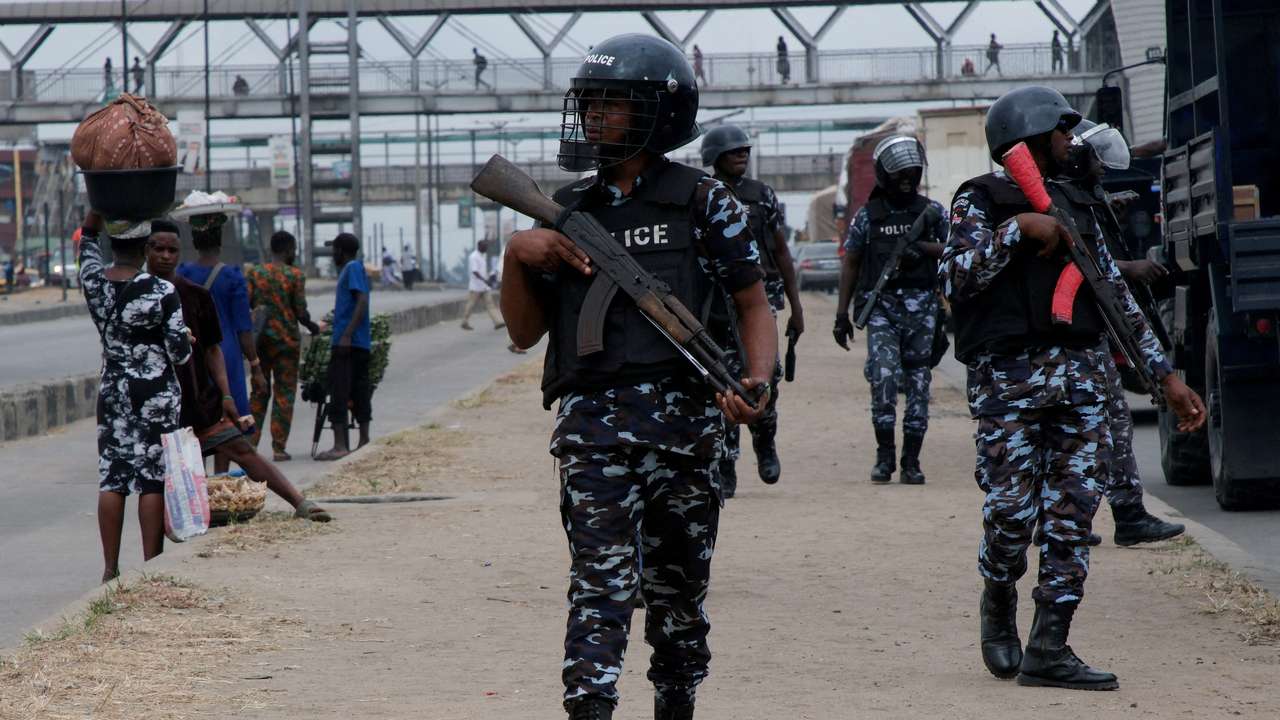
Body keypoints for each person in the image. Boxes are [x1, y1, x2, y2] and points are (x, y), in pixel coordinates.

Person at [500, 33, 775, 720]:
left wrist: (758, 381)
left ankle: (675, 690)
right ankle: (589, 705)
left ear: (659, 111)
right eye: (587, 103)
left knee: (678, 588)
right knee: (600, 582)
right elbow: (524, 332)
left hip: (686, 429)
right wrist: (517, 253)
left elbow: (751, 301)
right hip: (592, 431)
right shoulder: (568, 210)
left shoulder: (703, 202)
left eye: (610, 104)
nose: (592, 117)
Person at [940, 85, 1206, 690]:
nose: (1071, 141)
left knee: (1074, 515)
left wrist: (1166, 378)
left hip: (1083, 382)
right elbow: (954, 275)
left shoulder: (1077, 204)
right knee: (1010, 513)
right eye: (1060, 131)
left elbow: (1114, 295)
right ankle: (999, 597)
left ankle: (1050, 645)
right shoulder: (980, 198)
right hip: (1010, 386)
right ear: (1029, 138)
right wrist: (1017, 232)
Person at [147, 222, 331, 522]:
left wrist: (227, 393)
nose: (166, 256)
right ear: (146, 250)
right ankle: (185, 524)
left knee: (240, 448)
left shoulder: (194, 292)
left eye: (172, 250)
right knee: (165, 474)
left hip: (197, 394)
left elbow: (212, 349)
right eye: (158, 249)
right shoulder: (136, 298)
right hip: (157, 405)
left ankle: (299, 502)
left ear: (183, 251)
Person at [1064, 119, 1186, 547]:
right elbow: (1078, 269)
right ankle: (1066, 521)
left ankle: (1126, 514)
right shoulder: (1052, 201)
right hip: (1061, 342)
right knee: (1073, 437)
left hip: (1090, 334)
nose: (1103, 174)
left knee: (1113, 424)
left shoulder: (1082, 197)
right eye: (1098, 166)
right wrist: (1129, 269)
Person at [79, 213, 191, 582]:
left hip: (113, 390)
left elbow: (87, 245)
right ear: (144, 250)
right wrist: (186, 339)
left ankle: (110, 569)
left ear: (114, 247)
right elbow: (179, 353)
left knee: (112, 478)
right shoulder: (161, 291)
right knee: (152, 479)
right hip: (155, 392)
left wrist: (96, 218)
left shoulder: (94, 282)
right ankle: (151, 567)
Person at [833, 135, 946, 484]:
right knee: (883, 379)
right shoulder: (868, 217)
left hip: (923, 307)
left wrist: (923, 249)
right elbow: (851, 262)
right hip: (882, 308)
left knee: (918, 383)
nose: (907, 181)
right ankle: (885, 457)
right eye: (900, 176)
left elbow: (955, 250)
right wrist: (841, 315)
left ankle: (911, 461)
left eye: (911, 174)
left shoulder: (932, 212)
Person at [700, 123, 804, 493]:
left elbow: (780, 251)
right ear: (714, 157)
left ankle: (765, 443)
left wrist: (796, 307)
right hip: (718, 307)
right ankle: (727, 464)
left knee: (766, 380)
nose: (742, 155)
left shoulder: (762, 196)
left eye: (745, 149)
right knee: (725, 382)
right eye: (733, 151)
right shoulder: (703, 195)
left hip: (762, 302)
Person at [177, 211, 266, 474]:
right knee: (227, 424)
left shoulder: (183, 273)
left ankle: (199, 483)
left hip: (193, 353)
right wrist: (256, 365)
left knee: (196, 421)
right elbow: (243, 328)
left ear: (193, 241)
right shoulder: (233, 277)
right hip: (225, 356)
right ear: (220, 241)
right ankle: (222, 479)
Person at [245, 230, 321, 462]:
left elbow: (246, 304)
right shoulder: (295, 275)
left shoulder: (255, 273)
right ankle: (279, 448)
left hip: (260, 343)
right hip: (287, 343)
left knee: (259, 392)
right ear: (289, 250)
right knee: (284, 394)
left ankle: (250, 444)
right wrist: (313, 326)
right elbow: (300, 311)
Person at [315, 232, 372, 461]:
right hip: (355, 342)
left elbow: (362, 301)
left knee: (339, 392)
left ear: (340, 251)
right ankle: (363, 440)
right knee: (359, 390)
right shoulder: (353, 270)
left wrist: (346, 334)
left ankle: (340, 445)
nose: (332, 255)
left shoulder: (352, 269)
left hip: (348, 344)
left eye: (333, 250)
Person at [460, 240, 504, 332]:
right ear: (479, 246)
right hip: (475, 286)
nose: (486, 248)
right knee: (471, 305)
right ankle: (464, 322)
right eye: (485, 247)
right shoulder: (473, 256)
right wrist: (485, 280)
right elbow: (475, 271)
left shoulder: (481, 256)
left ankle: (497, 322)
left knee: (490, 305)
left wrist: (488, 279)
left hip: (484, 287)